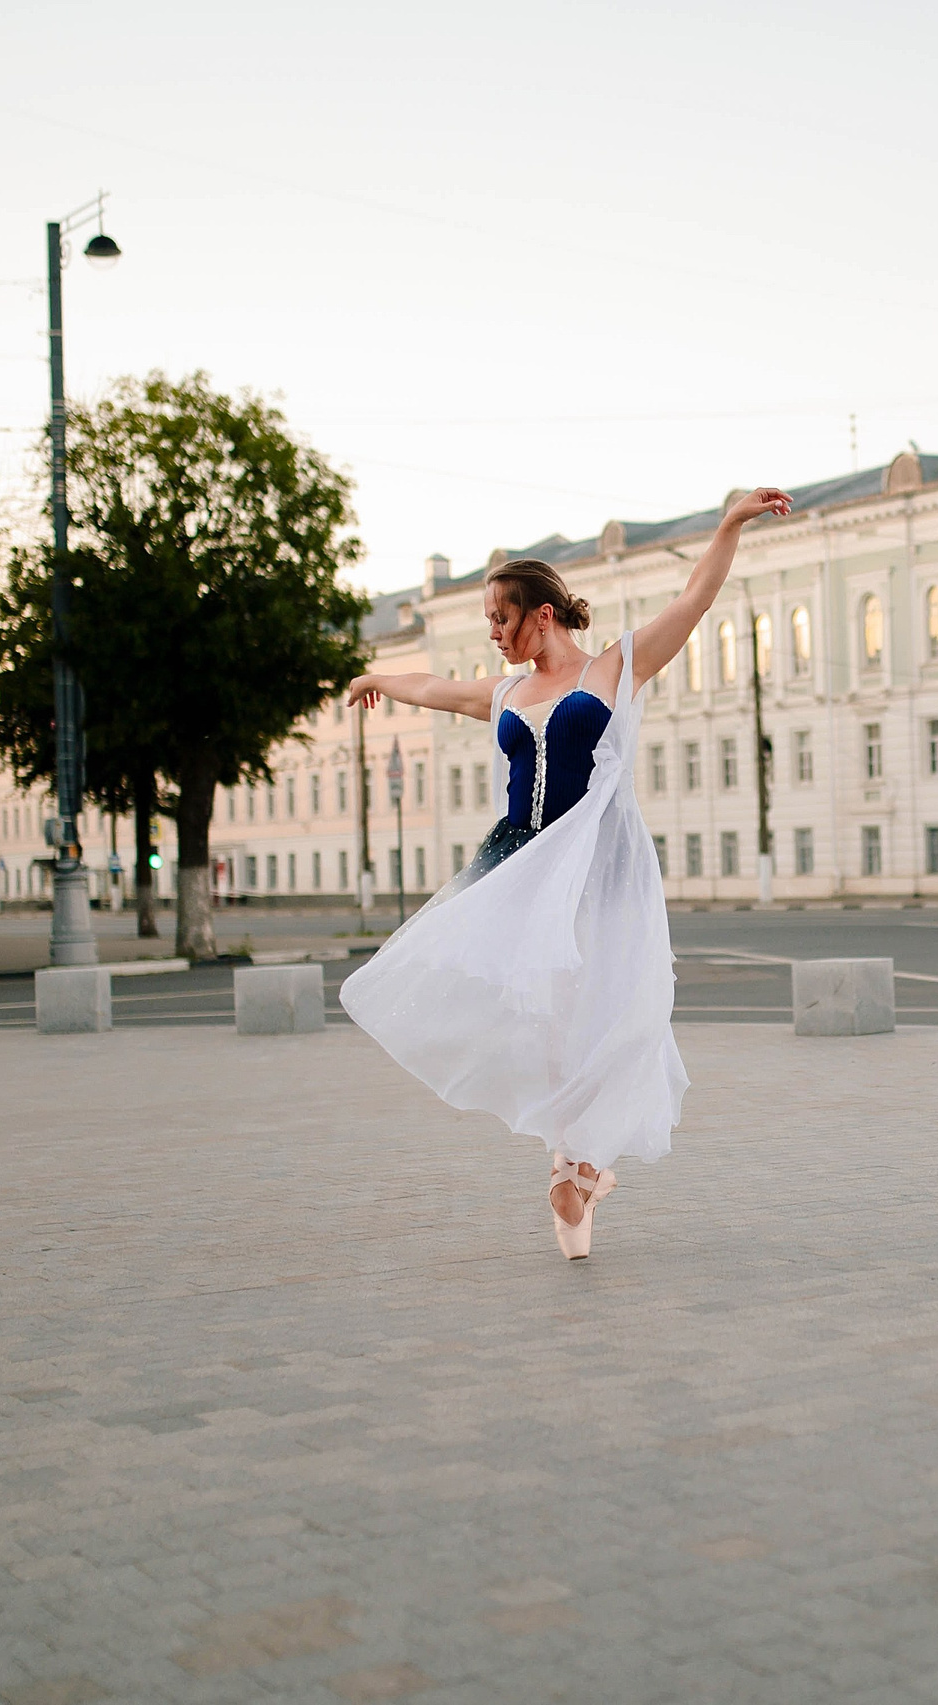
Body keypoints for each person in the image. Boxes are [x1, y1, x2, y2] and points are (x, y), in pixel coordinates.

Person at [338, 486, 794, 1258]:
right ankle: (570, 1164)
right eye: (487, 618)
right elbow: (438, 691)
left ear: (541, 615)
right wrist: (379, 677)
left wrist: (728, 526)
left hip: (599, 867)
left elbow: (694, 599)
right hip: (518, 864)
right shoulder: (508, 691)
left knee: (616, 1012)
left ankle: (582, 1168)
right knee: (546, 1017)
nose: (492, 632)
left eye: (500, 617)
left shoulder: (617, 665)